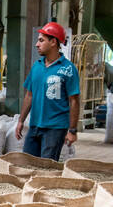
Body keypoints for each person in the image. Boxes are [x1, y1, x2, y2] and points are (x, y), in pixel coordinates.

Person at [16, 22, 80, 161]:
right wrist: (21, 120)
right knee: (27, 163)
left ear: (53, 42)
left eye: (41, 40)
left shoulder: (68, 69)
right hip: (35, 125)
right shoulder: (37, 66)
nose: (37, 44)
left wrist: (72, 130)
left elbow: (74, 101)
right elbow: (29, 95)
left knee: (46, 168)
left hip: (55, 128)